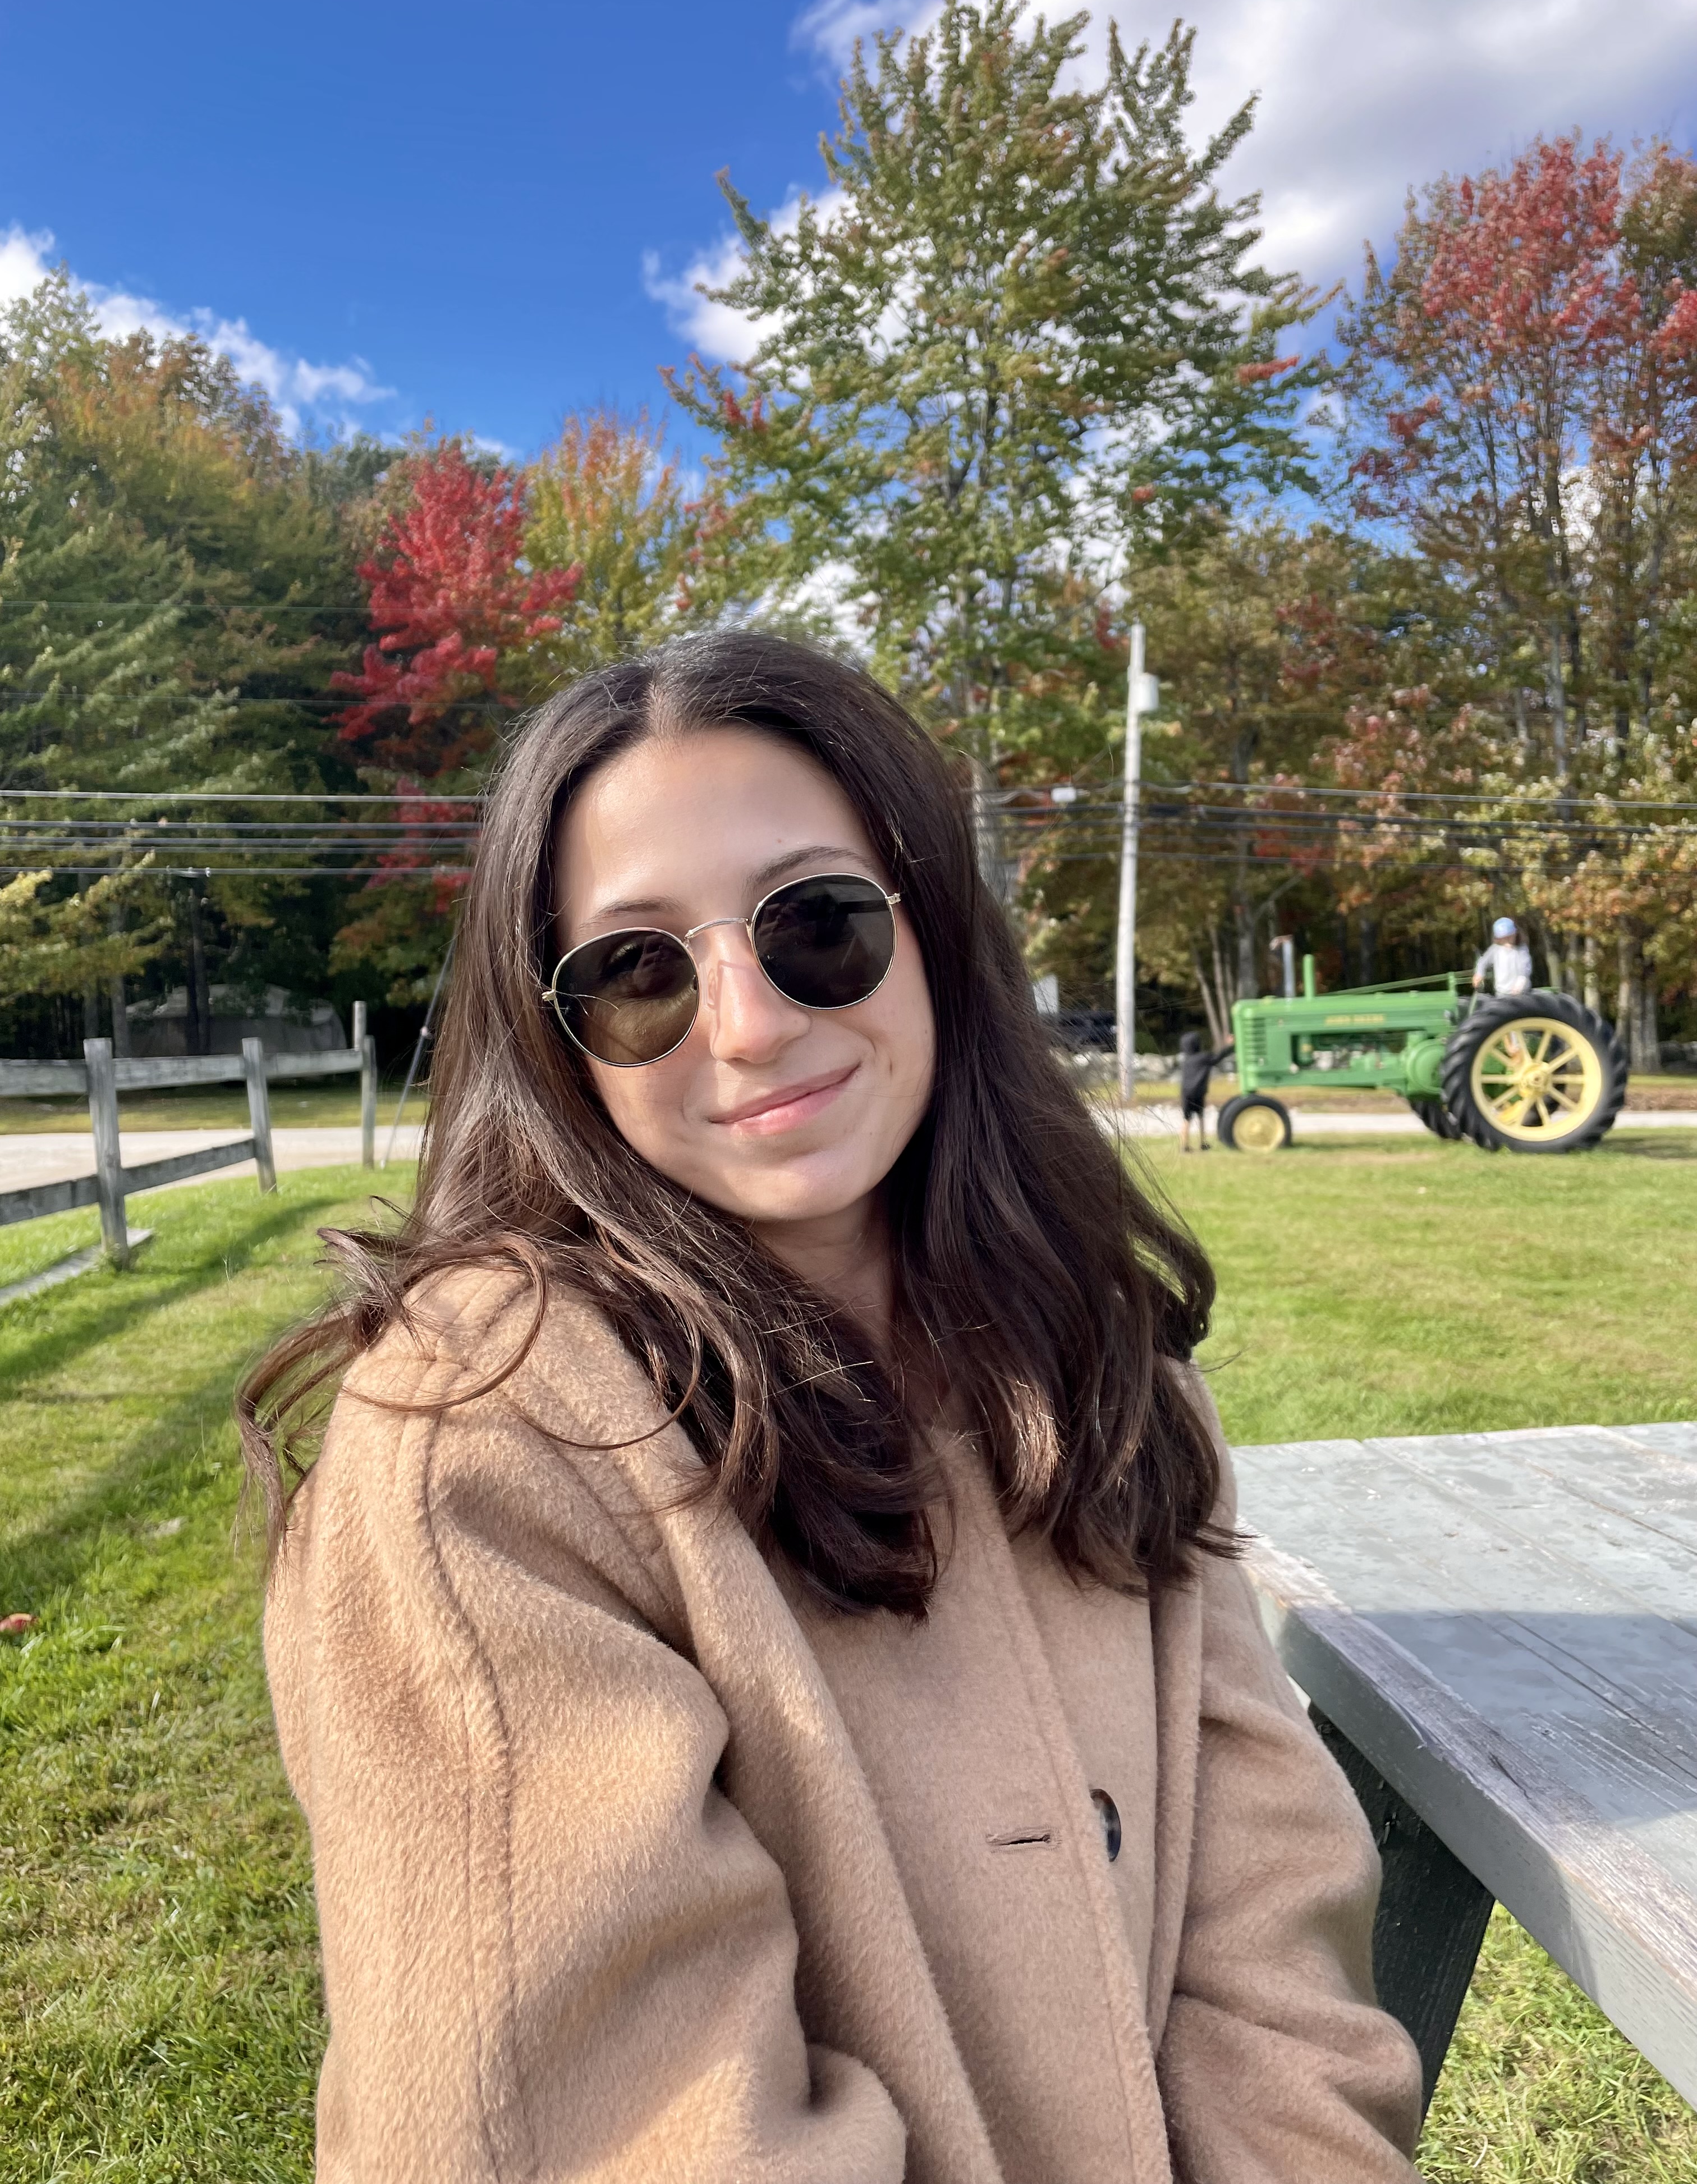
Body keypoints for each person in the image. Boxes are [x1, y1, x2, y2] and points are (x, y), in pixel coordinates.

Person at [244, 634, 1423, 2183]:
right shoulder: (486, 1446)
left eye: (814, 926)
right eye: (639, 971)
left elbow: (1272, 1938)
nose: (745, 1022)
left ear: (930, 929)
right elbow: (626, 2136)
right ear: (563, 1043)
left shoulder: (1101, 1352)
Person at [1177, 1027, 1234, 1153]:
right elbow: (1219, 1057)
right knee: (1201, 1117)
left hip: (1186, 1093)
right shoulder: (1204, 1058)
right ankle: (1202, 1143)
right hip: (1198, 1092)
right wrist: (1230, 1045)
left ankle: (1184, 1146)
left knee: (1186, 1119)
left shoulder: (1186, 1060)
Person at [1473, 915, 1533, 998]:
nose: (1507, 941)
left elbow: (1525, 969)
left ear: (1515, 934)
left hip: (1521, 995)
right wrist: (1479, 973)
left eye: (1509, 937)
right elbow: (1483, 962)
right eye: (1504, 939)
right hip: (1501, 994)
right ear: (1499, 939)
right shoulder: (1495, 949)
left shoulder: (1522, 950)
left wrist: (1521, 982)